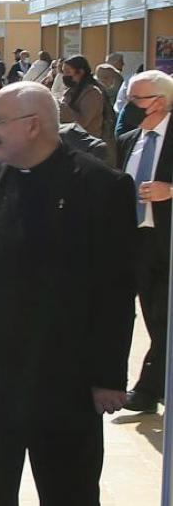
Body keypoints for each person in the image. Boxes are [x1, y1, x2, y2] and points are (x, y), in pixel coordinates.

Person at [0, 81, 136, 506]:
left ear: (33, 126)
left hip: (63, 383)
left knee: (70, 493)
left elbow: (116, 289)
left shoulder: (101, 186)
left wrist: (108, 378)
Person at [119, 71, 173, 413]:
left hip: (168, 239)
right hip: (138, 241)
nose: (130, 106)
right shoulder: (129, 140)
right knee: (152, 315)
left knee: (164, 315)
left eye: (137, 100)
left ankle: (148, 388)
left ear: (161, 101)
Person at [59, 55, 108, 140]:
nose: (64, 75)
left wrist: (61, 106)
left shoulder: (92, 93)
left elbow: (82, 122)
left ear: (80, 72)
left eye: (68, 71)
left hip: (88, 145)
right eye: (63, 72)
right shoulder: (71, 91)